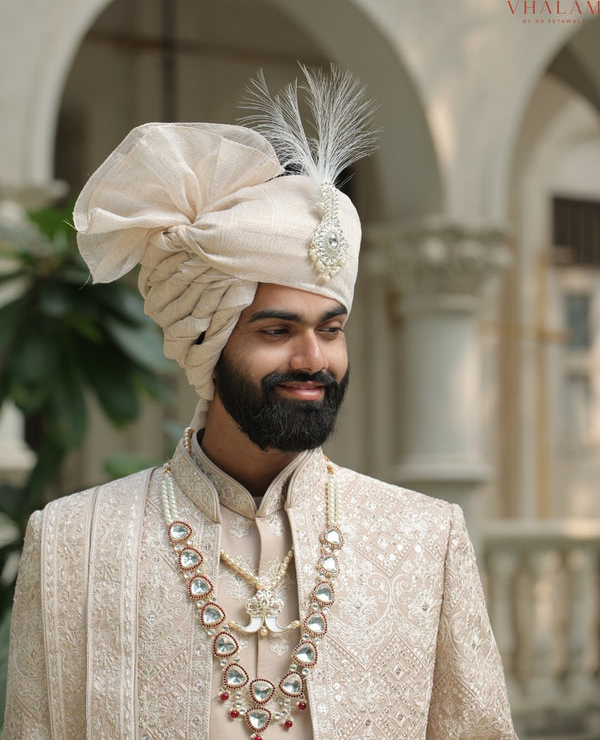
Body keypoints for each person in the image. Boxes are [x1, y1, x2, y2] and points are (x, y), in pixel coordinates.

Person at [4, 68, 518, 740]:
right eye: (277, 331)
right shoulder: (74, 541)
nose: (313, 359)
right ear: (208, 342)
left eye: (331, 329)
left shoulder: (424, 539)